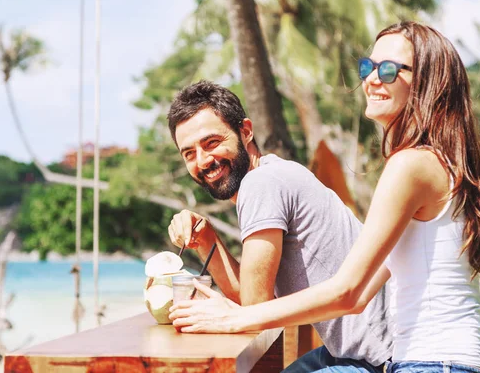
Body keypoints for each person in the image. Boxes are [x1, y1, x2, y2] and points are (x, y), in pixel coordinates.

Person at [169, 21, 480, 373]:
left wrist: (237, 319)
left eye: (388, 70)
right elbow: (356, 296)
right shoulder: (432, 161)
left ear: (427, 82)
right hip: (425, 362)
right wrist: (228, 290)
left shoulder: (412, 165)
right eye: (368, 67)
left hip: (432, 365)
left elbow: (346, 292)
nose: (371, 79)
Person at [166, 80, 392, 372]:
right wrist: (208, 239)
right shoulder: (275, 172)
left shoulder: (260, 183)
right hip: (351, 353)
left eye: (211, 143)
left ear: (245, 131)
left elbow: (253, 308)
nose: (203, 161)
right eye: (189, 154)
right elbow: (256, 304)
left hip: (379, 361)